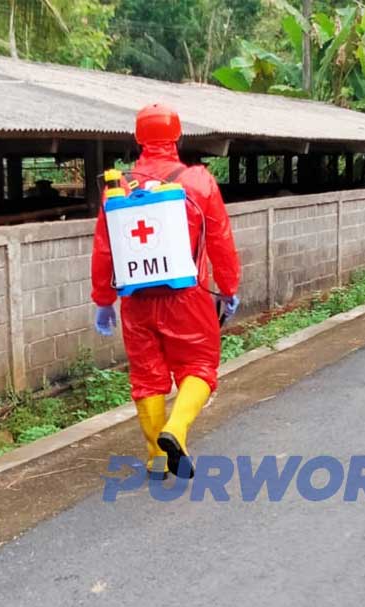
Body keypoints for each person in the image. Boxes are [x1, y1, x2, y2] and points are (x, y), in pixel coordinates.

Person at [90, 104, 242, 479]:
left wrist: (104, 301)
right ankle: (176, 429)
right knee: (200, 367)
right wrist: (229, 288)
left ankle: (157, 458)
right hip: (186, 297)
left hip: (136, 299)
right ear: (176, 136)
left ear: (139, 138)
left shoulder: (119, 188)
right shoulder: (198, 181)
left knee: (147, 378)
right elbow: (220, 239)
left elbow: (105, 249)